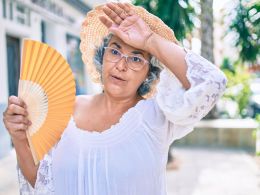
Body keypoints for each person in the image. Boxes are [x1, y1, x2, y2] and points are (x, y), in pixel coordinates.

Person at [2, 2, 227, 195]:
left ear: (150, 73)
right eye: (115, 51)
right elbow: (43, 185)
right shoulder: (65, 109)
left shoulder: (158, 116)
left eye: (136, 59)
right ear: (103, 55)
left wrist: (149, 40)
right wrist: (20, 139)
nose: (121, 65)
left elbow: (212, 82)